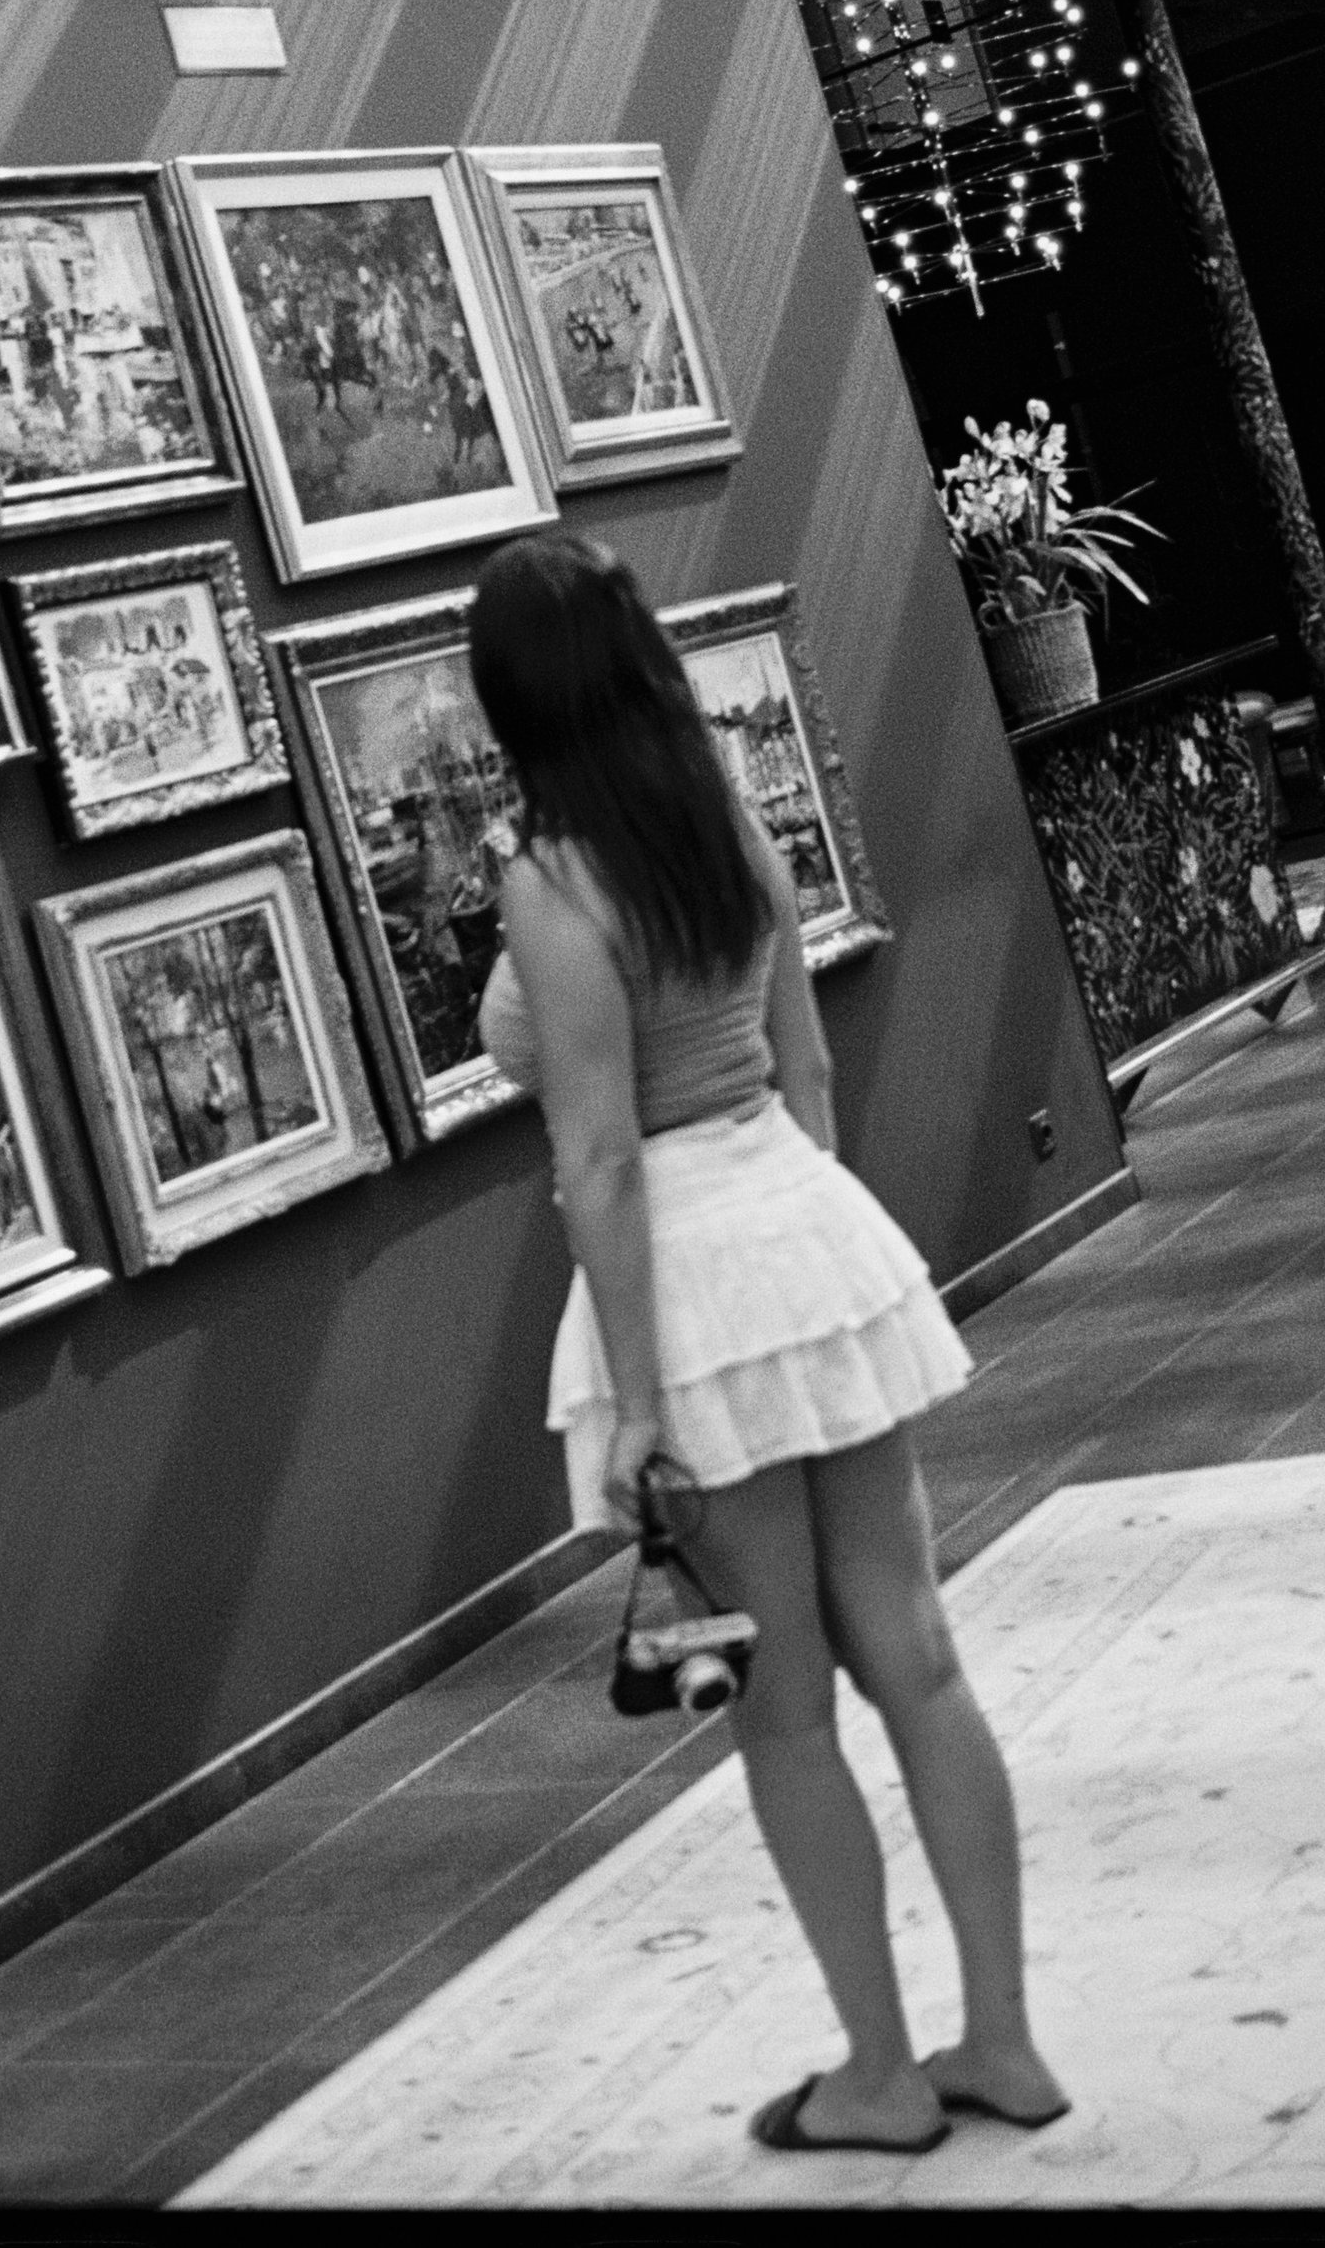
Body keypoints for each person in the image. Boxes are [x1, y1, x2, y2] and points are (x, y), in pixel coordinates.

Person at [469, 535, 1066, 2158]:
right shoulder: (725, 818)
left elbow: (600, 1158)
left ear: (514, 703)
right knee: (920, 1657)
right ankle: (1003, 2041)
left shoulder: (551, 878)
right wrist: (810, 1255)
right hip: (800, 1219)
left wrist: (638, 1403)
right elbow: (803, 1069)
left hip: (690, 1277)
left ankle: (878, 2075)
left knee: (785, 1707)